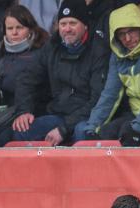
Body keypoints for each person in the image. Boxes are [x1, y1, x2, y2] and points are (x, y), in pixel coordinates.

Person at [6, 0, 108, 146]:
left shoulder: (98, 50)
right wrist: (24, 111)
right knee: (22, 130)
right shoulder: (52, 46)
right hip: (58, 113)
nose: (67, 29)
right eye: (63, 24)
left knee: (82, 132)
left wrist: (64, 129)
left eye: (73, 23)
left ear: (85, 26)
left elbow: (97, 100)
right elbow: (27, 78)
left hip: (87, 116)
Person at [74, 3, 140, 145]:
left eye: (131, 31)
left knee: (127, 135)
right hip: (134, 115)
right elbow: (110, 94)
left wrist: (138, 128)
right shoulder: (118, 55)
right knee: (102, 134)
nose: (127, 39)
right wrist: (92, 127)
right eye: (121, 34)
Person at [0, 5, 47, 143]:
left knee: (4, 138)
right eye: (10, 29)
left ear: (30, 29)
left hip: (30, 114)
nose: (14, 33)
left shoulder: (41, 54)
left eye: (20, 28)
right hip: (0, 116)